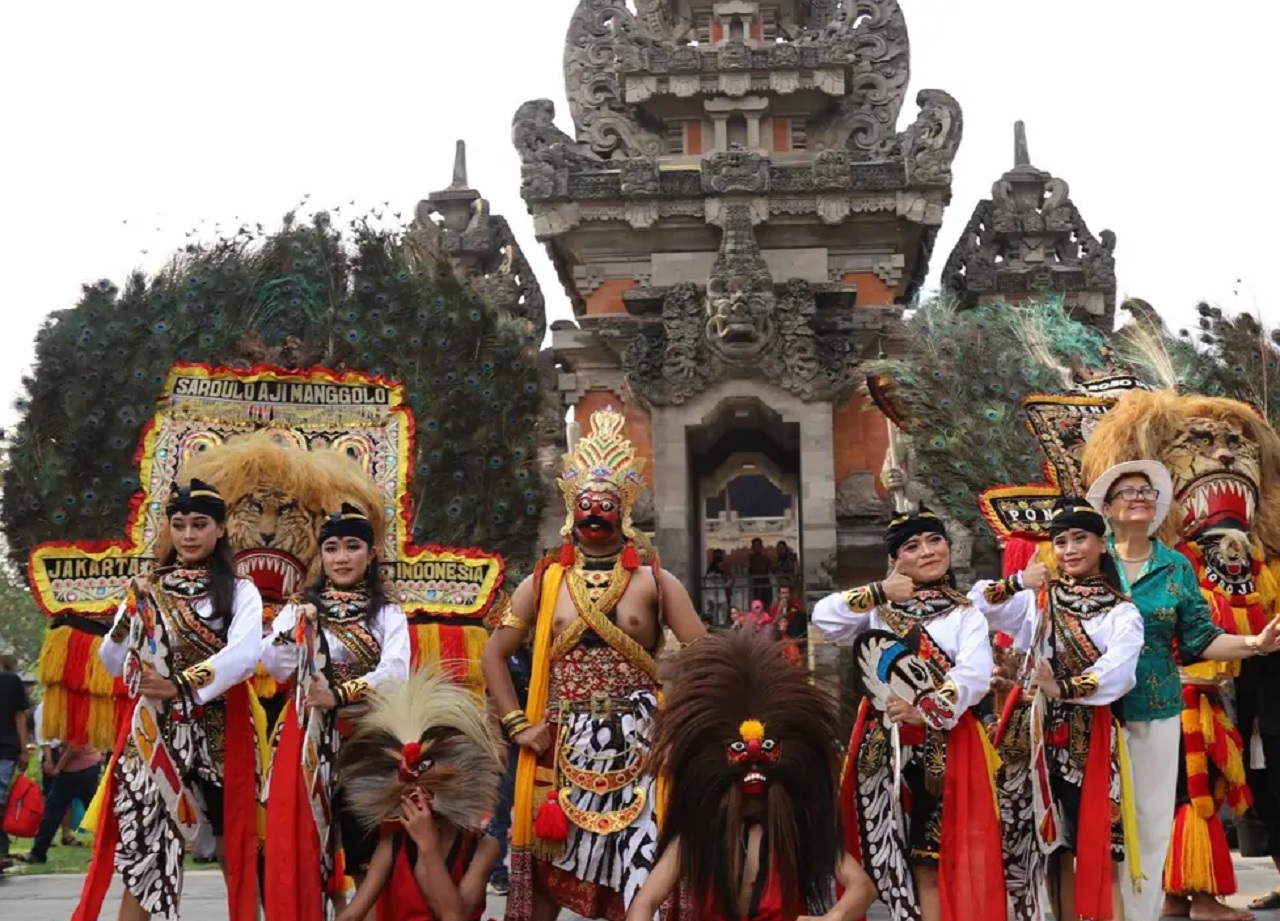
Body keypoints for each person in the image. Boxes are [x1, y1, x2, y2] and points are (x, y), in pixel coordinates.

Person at [480, 408, 707, 921]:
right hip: (561, 740)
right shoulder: (541, 583)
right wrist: (518, 725)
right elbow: (493, 654)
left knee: (644, 861)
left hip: (644, 740)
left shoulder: (655, 580)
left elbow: (706, 657)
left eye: (606, 504)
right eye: (586, 504)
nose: (595, 513)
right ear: (571, 509)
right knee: (545, 859)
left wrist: (683, 729)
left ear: (622, 509)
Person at [1083, 461, 1280, 921]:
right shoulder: (1089, 558)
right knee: (1099, 824)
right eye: (1127, 491)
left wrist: (1254, 642)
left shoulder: (1175, 566)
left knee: (1153, 824)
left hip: (1157, 708)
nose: (1139, 497)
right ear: (1107, 508)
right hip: (1092, 711)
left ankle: (1143, 915)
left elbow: (1198, 638)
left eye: (1146, 491)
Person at [75, 479, 263, 921]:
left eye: (199, 524)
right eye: (179, 525)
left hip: (219, 736)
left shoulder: (240, 591)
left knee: (233, 851)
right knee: (146, 853)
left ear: (220, 530)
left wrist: (178, 685)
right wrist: (129, 614)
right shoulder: (148, 589)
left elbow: (244, 654)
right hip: (154, 737)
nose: (188, 535)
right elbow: (112, 659)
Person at [812, 506, 1005, 921]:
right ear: (896, 560)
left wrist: (927, 708)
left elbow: (973, 672)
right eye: (912, 546)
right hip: (880, 743)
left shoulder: (965, 612)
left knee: (929, 858)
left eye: (935, 541)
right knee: (882, 851)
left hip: (943, 743)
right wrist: (880, 592)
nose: (928, 552)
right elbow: (824, 617)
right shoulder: (877, 610)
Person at [972, 497, 1145, 921]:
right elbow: (973, 609)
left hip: (1089, 733)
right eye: (1061, 541)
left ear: (1102, 544)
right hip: (1032, 732)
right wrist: (1016, 582)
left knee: (1098, 842)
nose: (1070, 550)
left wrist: (1062, 685)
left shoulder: (1122, 610)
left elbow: (1118, 669)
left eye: (1080, 539)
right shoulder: (1036, 599)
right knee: (1049, 844)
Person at [625, 631, 876, 921]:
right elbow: (644, 902)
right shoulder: (698, 834)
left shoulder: (799, 828)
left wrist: (834, 917)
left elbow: (863, 888)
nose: (752, 796)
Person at [262, 501, 411, 920]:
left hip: (367, 743)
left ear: (370, 554)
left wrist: (339, 695)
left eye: (351, 547)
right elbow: (273, 665)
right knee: (305, 841)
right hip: (305, 740)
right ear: (321, 556)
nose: (341, 558)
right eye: (331, 548)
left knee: (367, 843)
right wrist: (294, 634)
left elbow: (396, 671)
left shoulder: (387, 612)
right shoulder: (298, 608)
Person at [334, 667, 503, 921]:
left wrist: (428, 847)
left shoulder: (484, 847)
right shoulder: (392, 844)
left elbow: (454, 917)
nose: (419, 799)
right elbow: (352, 915)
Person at [488, 642, 532, 896]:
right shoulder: (497, 652)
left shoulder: (526, 653)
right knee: (500, 809)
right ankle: (497, 873)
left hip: (527, 739)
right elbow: (490, 696)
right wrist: (496, 740)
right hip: (506, 740)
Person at [16, 740, 102, 865]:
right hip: (85, 765)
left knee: (53, 810)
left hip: (78, 768)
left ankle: (38, 853)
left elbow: (75, 747)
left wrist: (58, 767)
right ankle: (110, 851)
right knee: (95, 811)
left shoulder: (75, 721)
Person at [0, 651, 31, 874]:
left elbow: (20, 716)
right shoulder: (13, 681)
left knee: (0, 796)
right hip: (8, 747)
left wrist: (24, 748)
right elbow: (20, 717)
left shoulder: (12, 682)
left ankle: (1, 851)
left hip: (7, 747)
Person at [748, 539, 773, 609]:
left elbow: (770, 569)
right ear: (752, 547)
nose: (757, 548)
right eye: (755, 546)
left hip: (765, 584)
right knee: (756, 605)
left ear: (761, 546)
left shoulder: (766, 558)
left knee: (766, 604)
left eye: (758, 546)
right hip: (755, 585)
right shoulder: (750, 558)